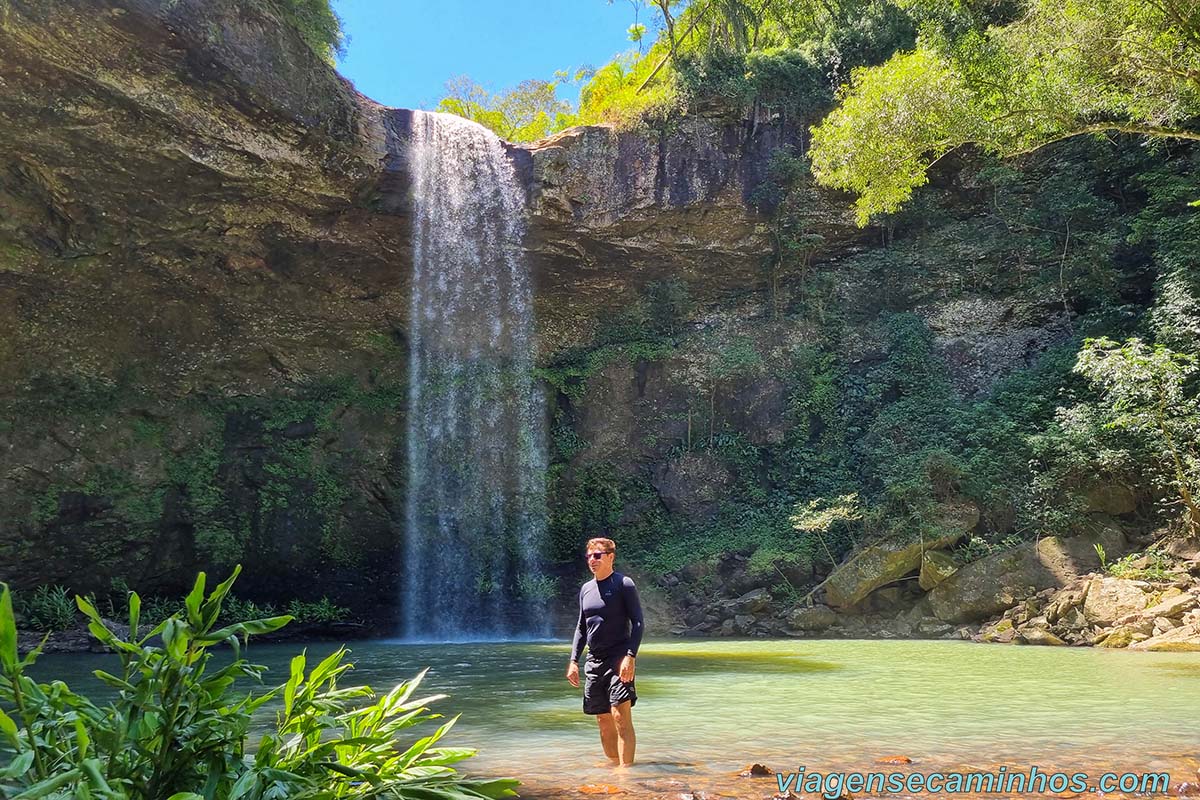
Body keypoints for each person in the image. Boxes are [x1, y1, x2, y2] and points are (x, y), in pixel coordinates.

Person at [566, 537, 644, 768]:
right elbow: (581, 627)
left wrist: (630, 656)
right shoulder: (586, 589)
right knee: (602, 719)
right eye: (589, 556)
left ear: (610, 557)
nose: (592, 560)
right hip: (594, 660)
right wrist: (573, 661)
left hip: (619, 658)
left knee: (620, 716)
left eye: (597, 555)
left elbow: (638, 623)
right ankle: (613, 768)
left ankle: (625, 773)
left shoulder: (623, 584)